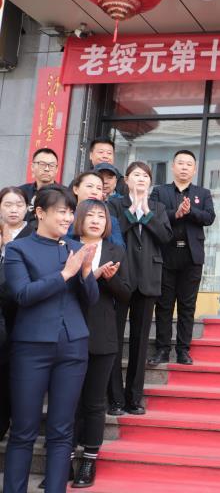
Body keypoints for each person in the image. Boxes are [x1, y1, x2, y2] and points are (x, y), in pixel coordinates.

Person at [2, 186, 99, 493]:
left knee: (62, 431)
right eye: (62, 211)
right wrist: (64, 275)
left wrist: (84, 272)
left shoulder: (74, 247)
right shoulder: (19, 250)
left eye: (71, 212)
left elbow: (91, 300)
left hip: (73, 345)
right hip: (31, 347)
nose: (68, 217)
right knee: (24, 431)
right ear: (40, 213)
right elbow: (22, 295)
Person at [68, 199, 131, 488]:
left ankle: (89, 461)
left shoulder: (117, 250)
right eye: (90, 215)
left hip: (102, 335)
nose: (95, 220)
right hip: (67, 333)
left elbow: (127, 292)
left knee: (94, 402)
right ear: (79, 218)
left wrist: (109, 279)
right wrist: (88, 276)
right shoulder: (65, 246)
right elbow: (60, 287)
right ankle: (64, 458)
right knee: (67, 401)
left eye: (101, 216)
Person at [107, 161, 172, 416]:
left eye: (146, 175)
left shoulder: (157, 207)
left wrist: (145, 213)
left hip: (148, 278)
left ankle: (134, 398)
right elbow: (114, 231)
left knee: (140, 342)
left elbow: (165, 236)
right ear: (126, 180)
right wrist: (133, 212)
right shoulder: (115, 205)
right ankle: (115, 398)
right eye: (136, 175)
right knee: (114, 338)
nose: (141, 179)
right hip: (121, 277)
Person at [148, 150, 216, 366]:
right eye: (180, 163)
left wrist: (190, 212)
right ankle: (162, 350)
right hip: (166, 255)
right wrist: (174, 214)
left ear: (194, 169)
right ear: (173, 167)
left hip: (191, 256)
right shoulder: (160, 191)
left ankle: (183, 351)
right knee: (164, 306)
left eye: (189, 164)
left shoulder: (202, 193)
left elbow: (209, 217)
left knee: (187, 306)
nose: (184, 167)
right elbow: (152, 214)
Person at [0, 187, 34, 442]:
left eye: (18, 204)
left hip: (22, 316)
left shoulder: (33, 235)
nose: (13, 209)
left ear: (27, 208)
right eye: (8, 204)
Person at [71, 171, 125, 248]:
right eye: (89, 186)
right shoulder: (67, 216)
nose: (94, 192)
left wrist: (102, 230)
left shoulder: (110, 220)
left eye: (99, 188)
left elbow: (120, 248)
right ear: (76, 189)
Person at [19, 147, 60, 222]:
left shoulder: (65, 194)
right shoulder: (20, 192)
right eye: (42, 164)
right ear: (32, 167)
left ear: (56, 169)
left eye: (51, 165)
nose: (47, 169)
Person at [0, 187, 34, 253]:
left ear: (27, 208)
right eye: (8, 205)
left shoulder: (35, 234)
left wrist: (9, 246)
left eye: (19, 205)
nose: (14, 210)